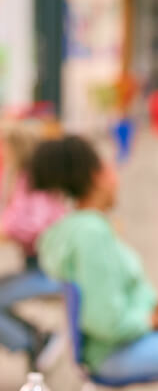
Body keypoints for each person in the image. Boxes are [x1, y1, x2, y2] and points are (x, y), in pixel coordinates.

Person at [30, 135, 158, 381]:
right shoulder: (91, 234)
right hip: (114, 352)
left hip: (116, 347)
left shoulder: (78, 227)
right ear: (97, 176)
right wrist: (150, 320)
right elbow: (105, 320)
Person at [0, 121, 66, 369]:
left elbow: (31, 226)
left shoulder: (33, 181)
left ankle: (34, 341)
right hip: (37, 266)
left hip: (48, 270)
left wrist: (7, 229)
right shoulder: (21, 178)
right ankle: (36, 339)